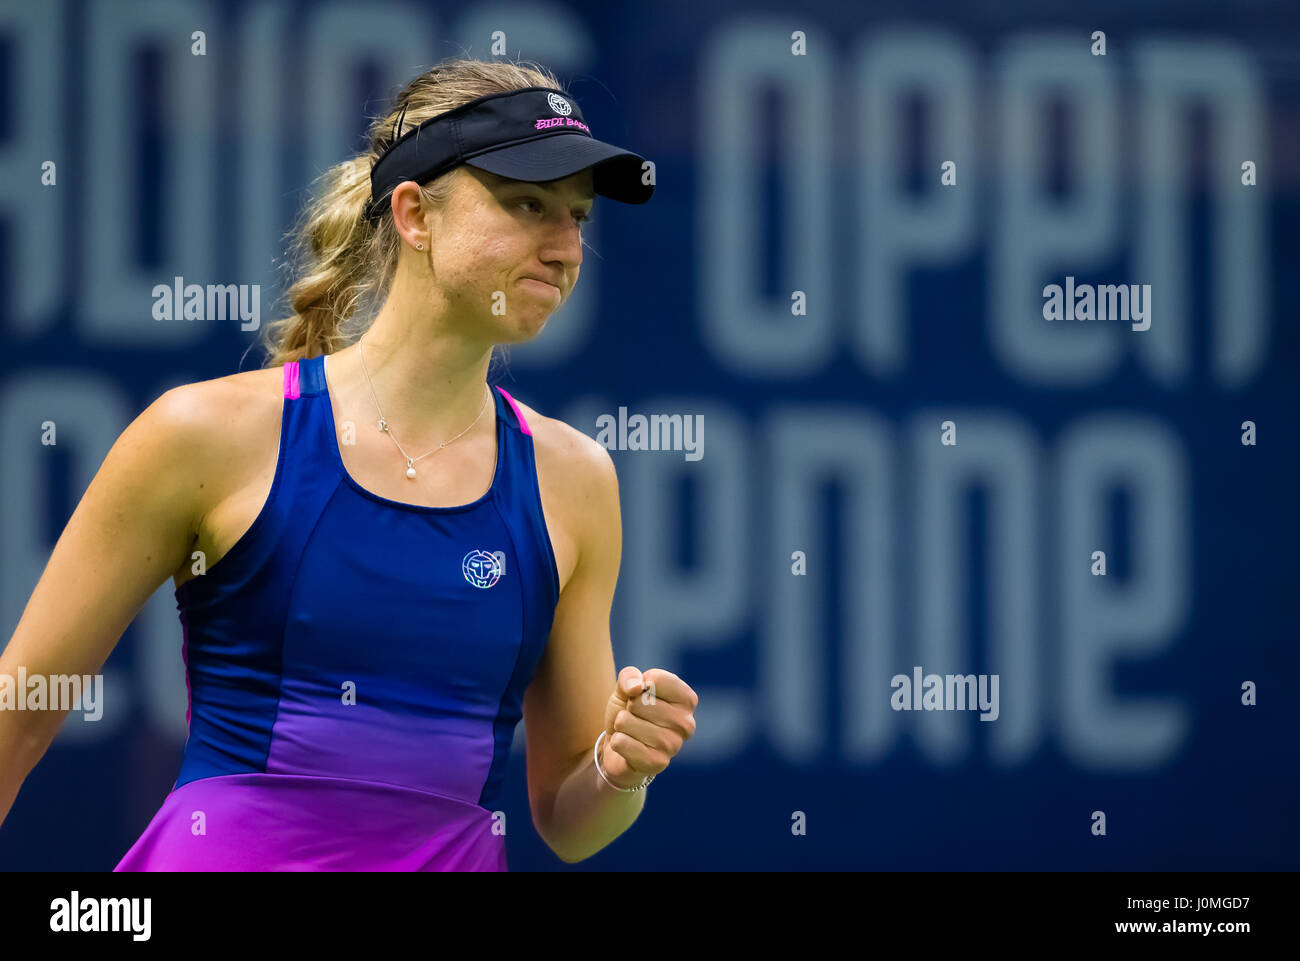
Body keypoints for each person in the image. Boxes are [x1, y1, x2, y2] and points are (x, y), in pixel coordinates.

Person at [0, 58, 697, 870]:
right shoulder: (200, 432)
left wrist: (620, 770)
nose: (566, 246)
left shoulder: (576, 479)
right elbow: (19, 712)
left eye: (577, 216)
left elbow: (567, 820)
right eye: (528, 205)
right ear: (413, 214)